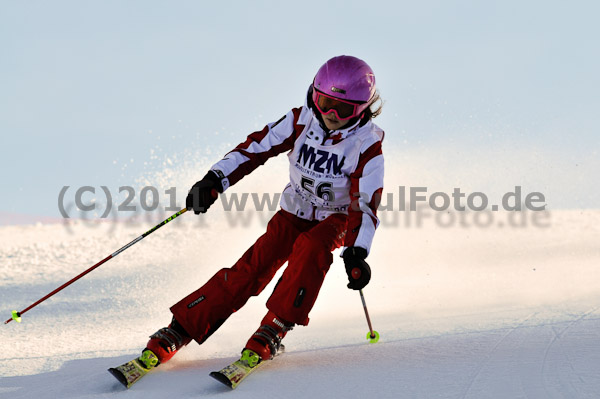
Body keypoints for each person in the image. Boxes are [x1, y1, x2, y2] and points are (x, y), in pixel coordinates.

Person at [139, 55, 385, 370]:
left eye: (344, 109)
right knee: (252, 268)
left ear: (362, 109)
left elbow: (364, 202)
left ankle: (276, 324)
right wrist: (214, 180)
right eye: (324, 102)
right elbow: (255, 148)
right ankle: (183, 326)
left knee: (311, 250)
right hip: (293, 212)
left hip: (335, 219)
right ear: (313, 95)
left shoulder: (367, 145)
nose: (331, 115)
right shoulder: (300, 121)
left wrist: (356, 251)